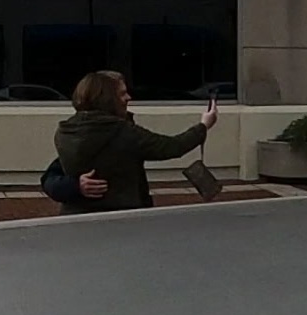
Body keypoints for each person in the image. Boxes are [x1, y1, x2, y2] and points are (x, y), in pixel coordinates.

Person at [44, 69, 214, 213]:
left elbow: (51, 175)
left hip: (75, 217)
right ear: (107, 99)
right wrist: (203, 126)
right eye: (122, 93)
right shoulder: (124, 132)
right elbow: (172, 147)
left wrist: (74, 187)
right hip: (123, 217)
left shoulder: (66, 132)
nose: (128, 97)